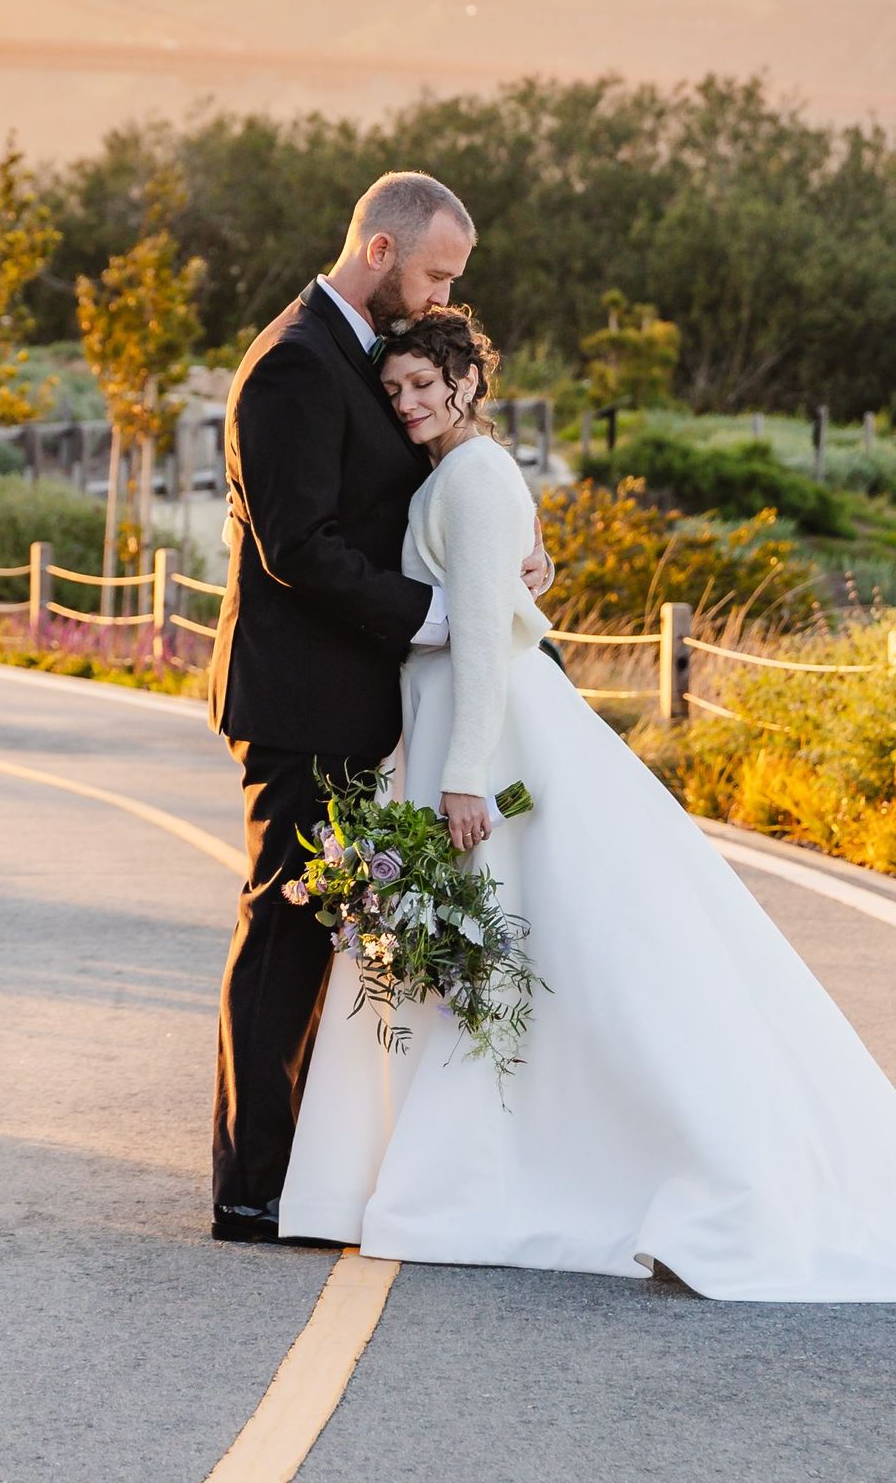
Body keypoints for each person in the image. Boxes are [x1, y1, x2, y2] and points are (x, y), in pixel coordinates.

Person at [275, 306, 896, 1299]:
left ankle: (518, 1166)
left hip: (489, 735)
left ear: (466, 384)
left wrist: (463, 770)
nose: (406, 402)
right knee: (520, 945)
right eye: (394, 388)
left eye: (422, 385)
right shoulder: (455, 471)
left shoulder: (477, 474)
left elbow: (491, 632)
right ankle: (487, 1159)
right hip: (461, 719)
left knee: (533, 940)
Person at [207, 172, 550, 1244]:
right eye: (439, 271)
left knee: (322, 925)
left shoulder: (358, 354)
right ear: (384, 246)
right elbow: (297, 545)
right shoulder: (295, 362)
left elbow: (412, 494)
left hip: (354, 696)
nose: (446, 293)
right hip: (302, 698)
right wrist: (440, 613)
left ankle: (303, 1161)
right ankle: (250, 1183)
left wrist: (508, 548)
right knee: (285, 926)